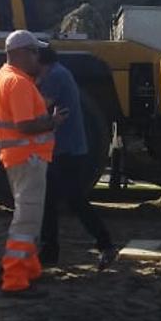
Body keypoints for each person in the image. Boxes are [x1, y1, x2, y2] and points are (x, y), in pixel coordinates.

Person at [0, 30, 66, 295]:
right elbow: (24, 125)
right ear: (21, 53)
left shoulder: (4, 77)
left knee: (29, 217)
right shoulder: (19, 83)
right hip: (29, 158)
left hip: (19, 158)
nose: (38, 57)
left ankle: (30, 267)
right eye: (35, 52)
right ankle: (14, 277)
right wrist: (52, 122)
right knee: (26, 220)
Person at [37, 46, 120, 270]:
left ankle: (105, 244)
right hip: (67, 148)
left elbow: (38, 106)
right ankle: (49, 251)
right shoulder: (60, 72)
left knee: (72, 200)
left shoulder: (53, 76)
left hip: (65, 149)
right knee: (53, 200)